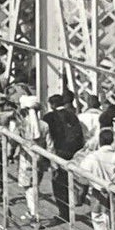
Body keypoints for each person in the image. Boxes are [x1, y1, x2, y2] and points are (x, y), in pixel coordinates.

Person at [43, 91, 87, 222]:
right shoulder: (72, 116)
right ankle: (73, 205)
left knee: (58, 184)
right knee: (72, 181)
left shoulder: (49, 117)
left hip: (59, 153)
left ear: (51, 105)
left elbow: (48, 138)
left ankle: (64, 213)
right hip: (74, 153)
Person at [14, 95, 44, 225]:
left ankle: (34, 214)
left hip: (26, 158)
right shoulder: (44, 124)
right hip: (40, 158)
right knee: (35, 185)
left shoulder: (22, 124)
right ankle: (32, 210)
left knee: (29, 187)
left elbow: (13, 138)